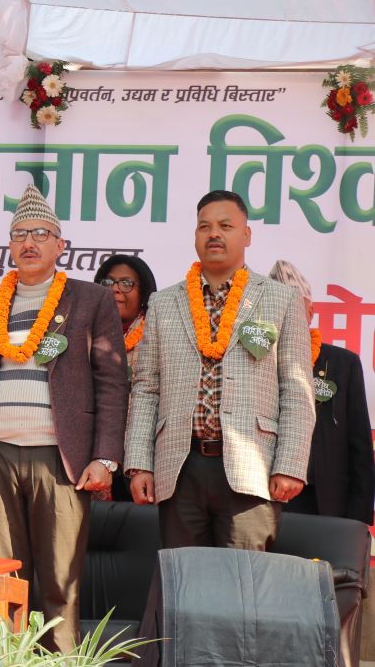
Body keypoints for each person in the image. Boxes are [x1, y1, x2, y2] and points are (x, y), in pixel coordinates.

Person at [0, 184, 127, 652]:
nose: (29, 242)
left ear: (60, 245)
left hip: (61, 458)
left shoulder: (91, 301)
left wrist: (106, 456)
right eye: (19, 234)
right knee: (3, 580)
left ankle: (63, 661)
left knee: (61, 584)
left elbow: (112, 384)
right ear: (9, 245)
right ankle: (6, 659)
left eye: (40, 234)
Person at [124, 191, 315, 551]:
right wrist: (139, 463)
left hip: (252, 468)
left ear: (246, 235)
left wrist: (289, 463)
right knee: (183, 577)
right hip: (179, 466)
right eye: (204, 227)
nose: (214, 234)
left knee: (244, 579)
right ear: (195, 236)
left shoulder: (281, 299)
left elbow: (296, 389)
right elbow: (146, 389)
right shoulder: (164, 303)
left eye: (226, 226)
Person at [268, 260, 373, 524]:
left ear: (311, 312)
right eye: (277, 308)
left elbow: (360, 447)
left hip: (325, 502)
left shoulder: (342, 364)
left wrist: (358, 521)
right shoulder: (252, 361)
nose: (286, 317)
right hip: (264, 499)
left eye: (294, 308)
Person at [93, 254, 158, 502]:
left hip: (144, 456)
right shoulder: (85, 335)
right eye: (108, 283)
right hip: (95, 452)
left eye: (127, 283)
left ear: (144, 294)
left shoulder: (157, 335)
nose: (116, 289)